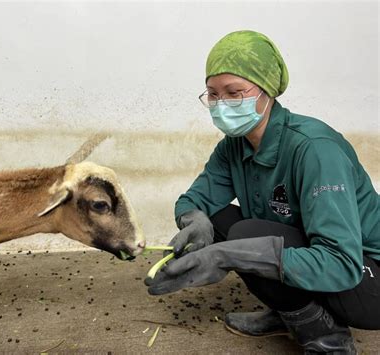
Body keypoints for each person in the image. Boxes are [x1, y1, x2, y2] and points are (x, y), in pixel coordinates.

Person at [144, 30, 379, 354]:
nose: (221, 104)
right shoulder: (233, 148)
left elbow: (341, 262)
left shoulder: (315, 150)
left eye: (234, 92)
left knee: (245, 234)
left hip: (368, 278)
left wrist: (227, 255)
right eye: (213, 94)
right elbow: (195, 199)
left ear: (266, 91)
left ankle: (329, 340)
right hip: (322, 254)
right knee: (218, 217)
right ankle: (292, 312)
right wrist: (194, 221)